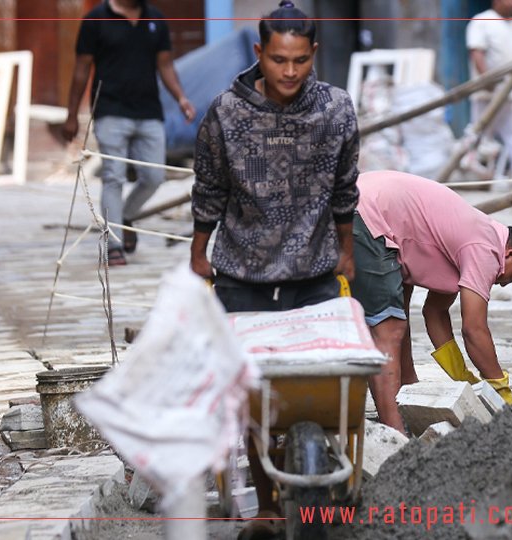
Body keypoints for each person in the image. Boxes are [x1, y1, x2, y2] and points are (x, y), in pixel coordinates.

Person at [189, 2, 358, 534]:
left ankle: (324, 474)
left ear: (314, 55)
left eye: (301, 61)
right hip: (243, 272)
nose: (289, 73)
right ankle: (265, 504)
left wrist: (347, 248)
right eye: (279, 60)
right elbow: (209, 187)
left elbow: (344, 187)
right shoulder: (226, 113)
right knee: (252, 394)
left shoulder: (336, 109)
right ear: (260, 52)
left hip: (313, 271)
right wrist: (199, 252)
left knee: (317, 389)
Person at [350, 170, 512, 431]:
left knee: (398, 309)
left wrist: (462, 377)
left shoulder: (474, 238)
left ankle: (406, 391)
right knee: (388, 327)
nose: (503, 283)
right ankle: (394, 432)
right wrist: (500, 389)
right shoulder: (485, 249)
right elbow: (474, 329)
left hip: (369, 202)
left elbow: (435, 313)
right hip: (367, 210)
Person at [63, 0, 195, 266]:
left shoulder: (155, 19)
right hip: (110, 111)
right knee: (114, 177)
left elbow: (166, 64)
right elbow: (80, 69)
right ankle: (114, 243)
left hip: (148, 112)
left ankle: (123, 217)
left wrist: (181, 98)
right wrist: (72, 114)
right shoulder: (96, 19)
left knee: (154, 176)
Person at [465, 0, 512, 184]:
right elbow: (477, 52)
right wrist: (486, 80)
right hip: (489, 92)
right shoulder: (482, 21)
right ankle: (470, 172)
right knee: (479, 135)